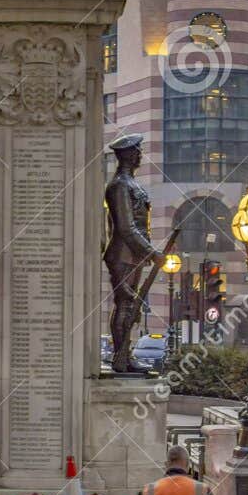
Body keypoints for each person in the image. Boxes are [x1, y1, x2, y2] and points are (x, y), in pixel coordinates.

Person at [103, 133, 163, 374]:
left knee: (130, 306)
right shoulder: (119, 186)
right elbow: (126, 227)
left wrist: (146, 253)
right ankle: (121, 356)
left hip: (134, 254)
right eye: (136, 151)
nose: (140, 154)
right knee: (125, 304)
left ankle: (124, 356)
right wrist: (151, 252)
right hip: (122, 254)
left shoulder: (131, 184)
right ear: (127, 155)